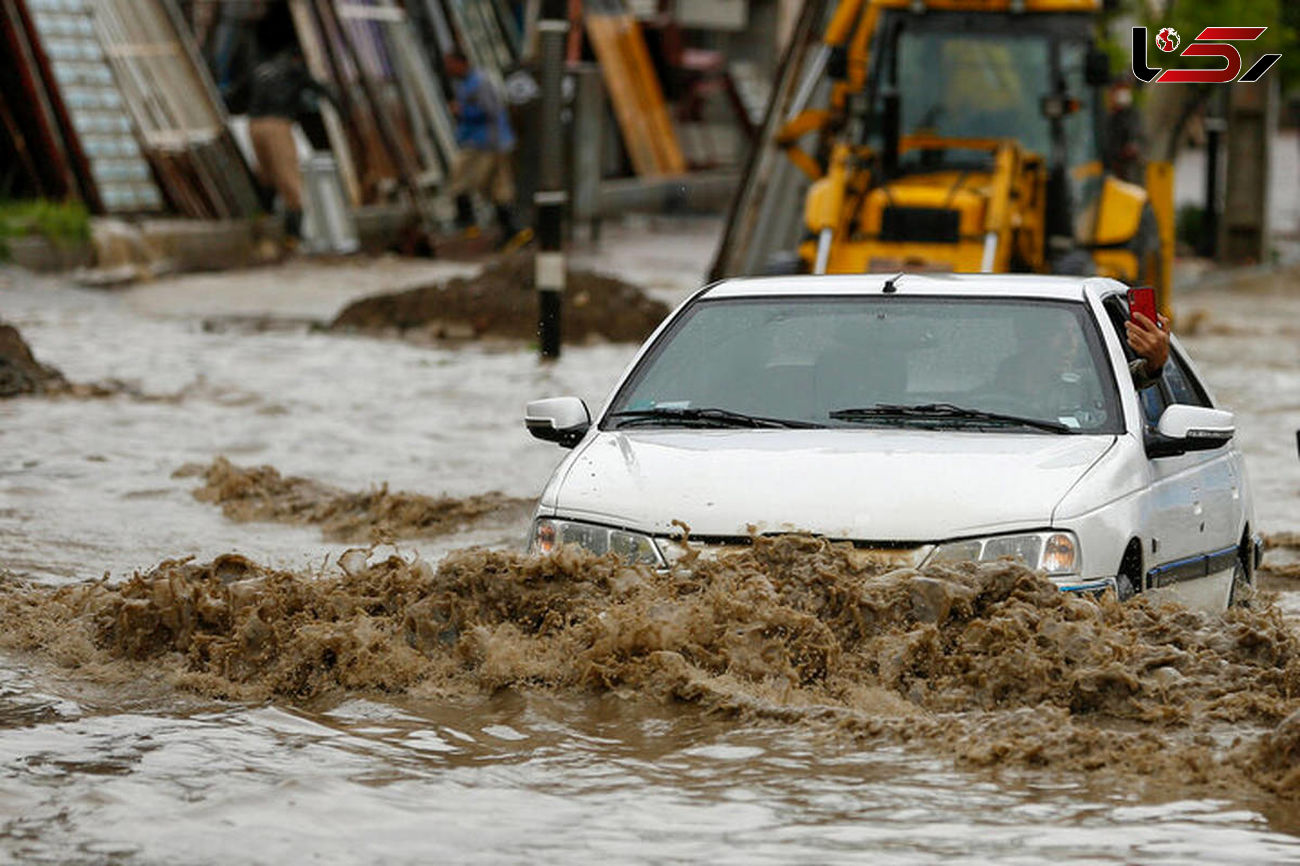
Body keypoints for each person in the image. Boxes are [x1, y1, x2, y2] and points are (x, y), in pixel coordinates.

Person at [247, 41, 333, 246]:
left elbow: (237, 93)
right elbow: (321, 89)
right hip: (277, 124)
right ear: (299, 58)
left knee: (265, 175)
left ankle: (263, 226)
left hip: (254, 125)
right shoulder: (294, 70)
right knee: (289, 179)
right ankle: (293, 236)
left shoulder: (262, 70)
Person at [443, 51, 521, 246]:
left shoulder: (479, 83)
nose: (448, 69)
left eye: (450, 64)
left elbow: (491, 111)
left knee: (462, 180)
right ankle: (511, 231)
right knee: (496, 188)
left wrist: (463, 110)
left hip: (487, 143)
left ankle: (469, 225)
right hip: (486, 142)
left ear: (461, 63)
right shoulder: (468, 83)